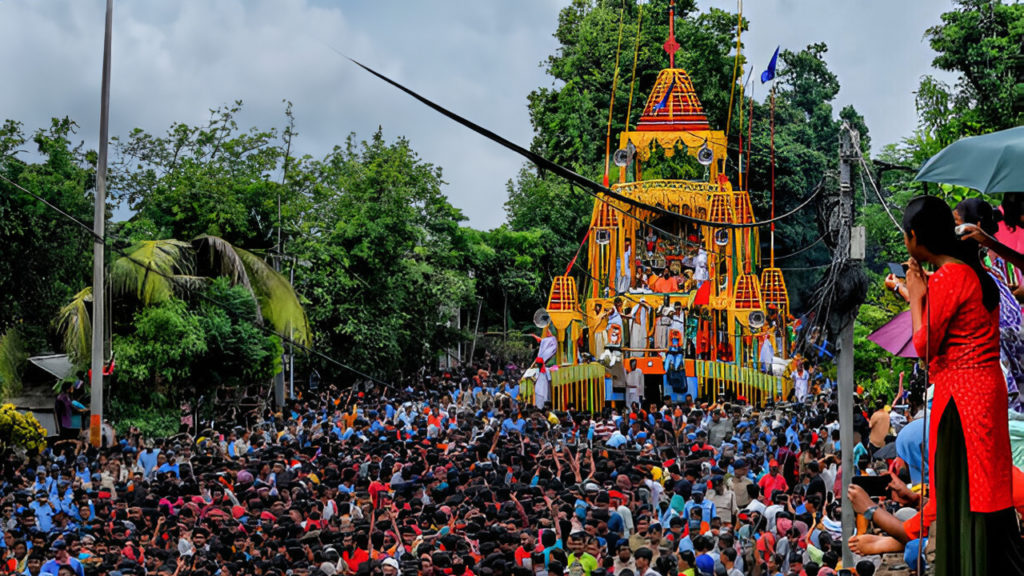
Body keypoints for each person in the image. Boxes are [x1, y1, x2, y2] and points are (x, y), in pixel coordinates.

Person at [903, 195, 1024, 574]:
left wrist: (916, 299)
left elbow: (924, 345)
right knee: (987, 488)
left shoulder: (951, 276)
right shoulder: (975, 272)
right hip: (982, 389)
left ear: (914, 237)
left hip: (962, 395)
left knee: (965, 491)